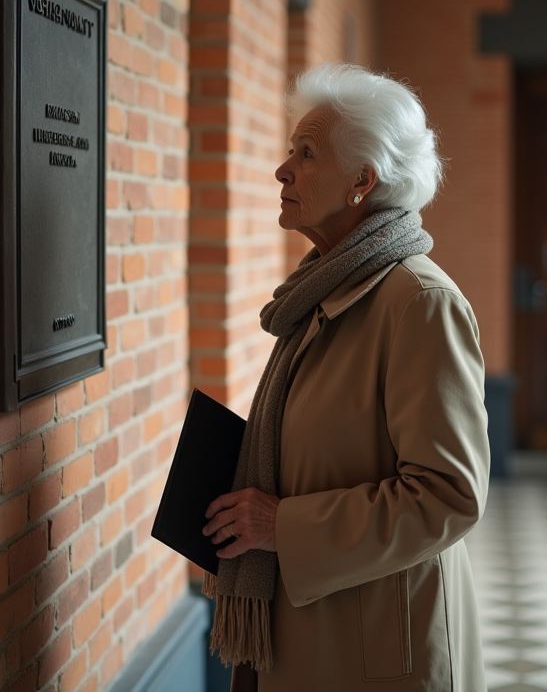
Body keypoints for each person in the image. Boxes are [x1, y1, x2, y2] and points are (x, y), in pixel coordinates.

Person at [200, 62, 490, 691]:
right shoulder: (322, 292)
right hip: (312, 633)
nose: (283, 170)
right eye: (289, 150)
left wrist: (282, 526)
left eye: (307, 154)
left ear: (363, 179)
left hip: (379, 649)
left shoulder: (418, 303)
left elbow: (449, 495)